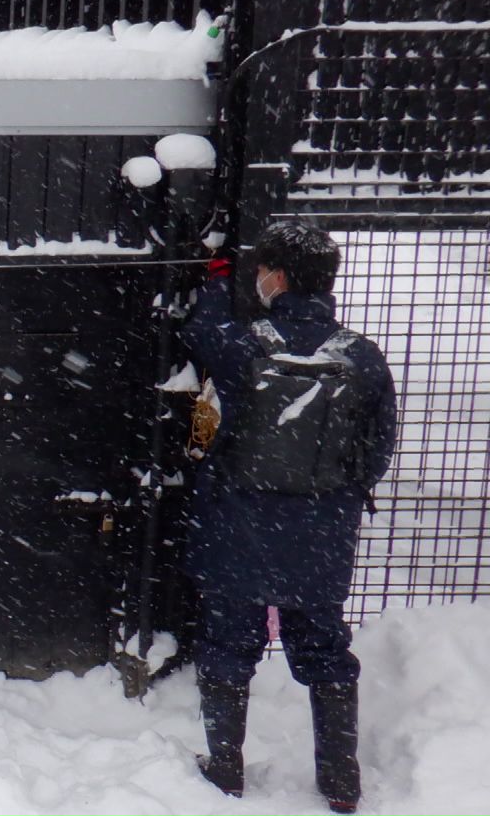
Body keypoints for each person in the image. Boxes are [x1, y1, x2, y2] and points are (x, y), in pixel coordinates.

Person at [179, 221, 396, 813]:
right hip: (321, 534)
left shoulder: (245, 345)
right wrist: (332, 500)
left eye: (260, 270)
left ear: (275, 276)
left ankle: (225, 769)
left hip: (239, 526)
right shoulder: (361, 357)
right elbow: (377, 449)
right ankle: (341, 779)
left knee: (229, 645)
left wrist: (218, 278)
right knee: (325, 649)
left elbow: (202, 329)